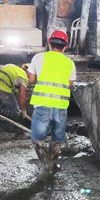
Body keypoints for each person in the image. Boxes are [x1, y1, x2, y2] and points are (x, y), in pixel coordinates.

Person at [27, 30, 76, 178]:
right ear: (65, 46)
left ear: (49, 43)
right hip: (60, 106)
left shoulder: (38, 58)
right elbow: (70, 84)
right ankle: (53, 165)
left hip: (42, 104)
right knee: (57, 138)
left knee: (38, 138)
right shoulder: (70, 63)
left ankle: (46, 166)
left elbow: (31, 80)